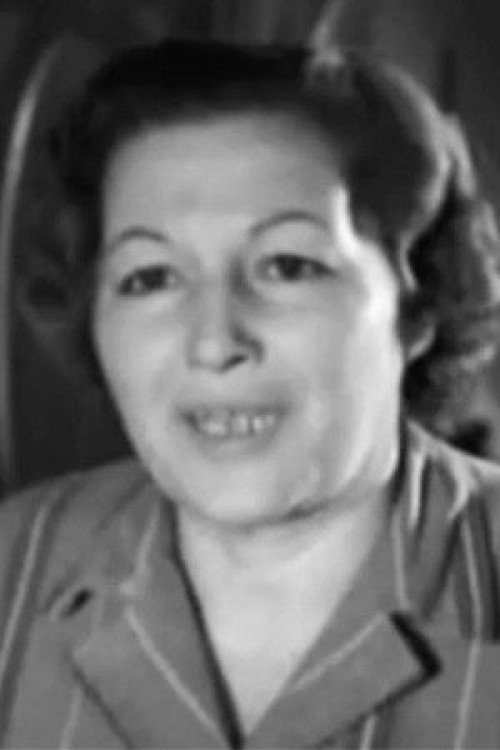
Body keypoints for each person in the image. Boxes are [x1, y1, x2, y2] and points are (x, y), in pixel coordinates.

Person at [1, 39, 500, 750]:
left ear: (417, 307)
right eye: (150, 278)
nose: (214, 342)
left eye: (287, 266)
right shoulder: (14, 564)